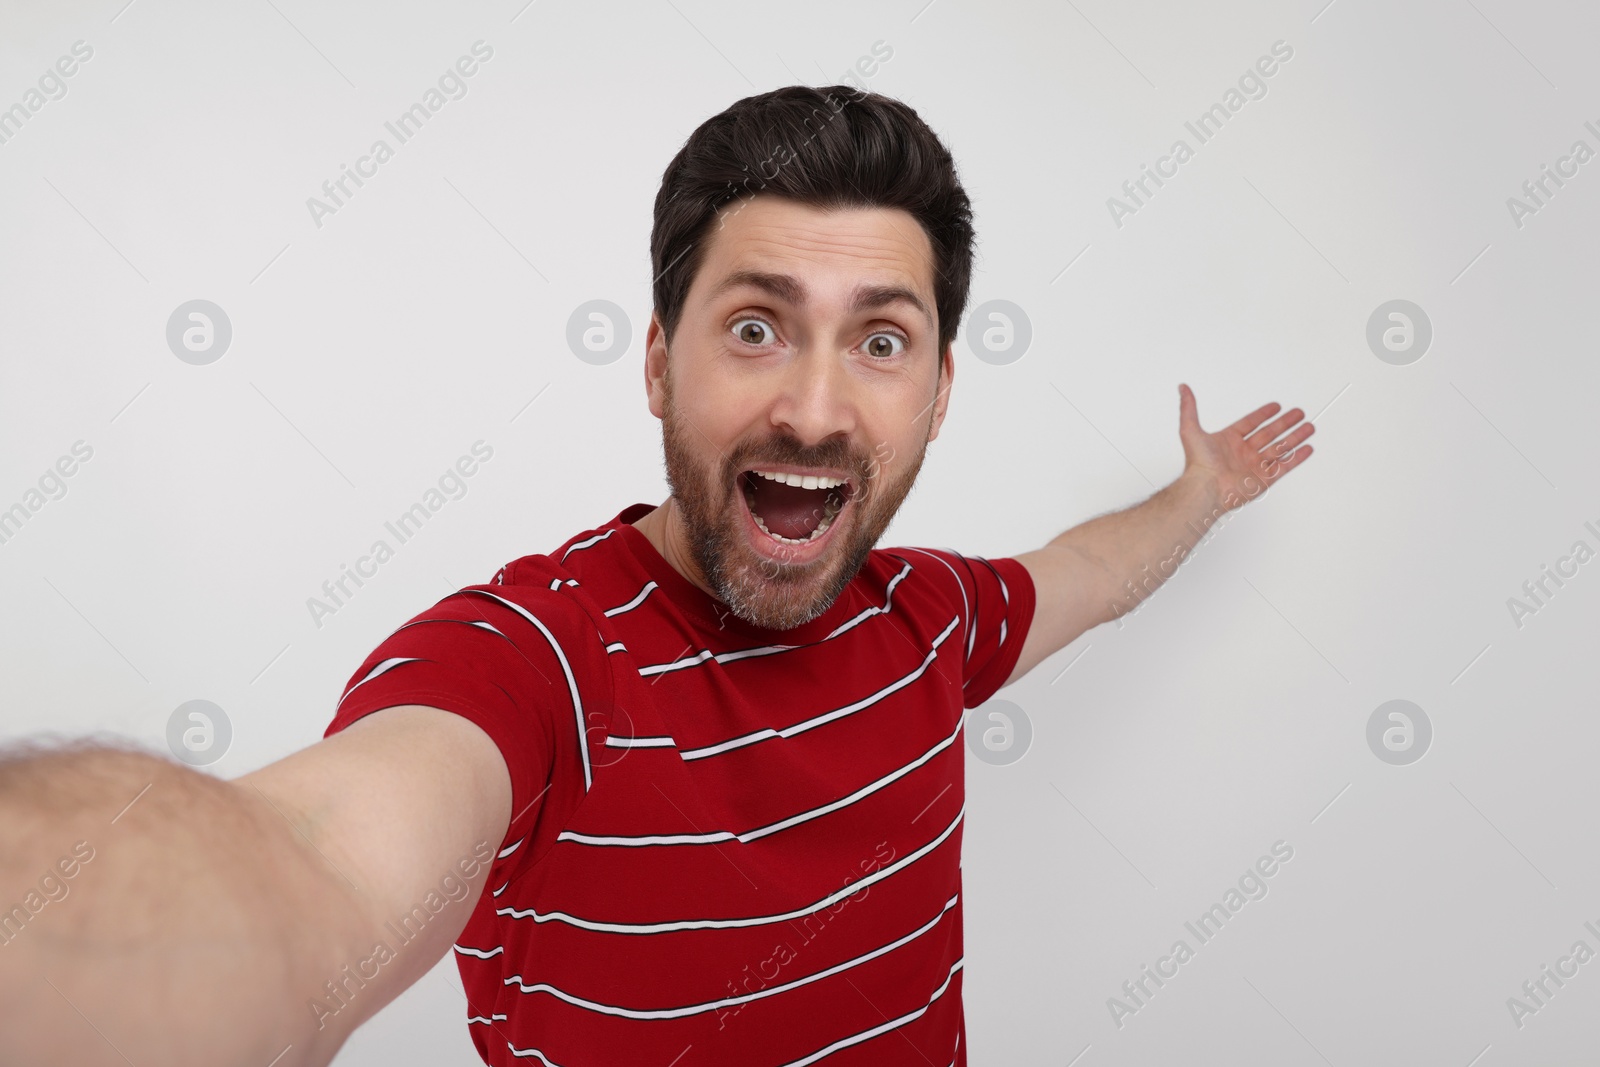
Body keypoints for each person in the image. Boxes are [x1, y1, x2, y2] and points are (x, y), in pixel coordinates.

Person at [0, 84, 1313, 1066]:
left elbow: (1085, 570)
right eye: (756, 326)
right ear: (654, 363)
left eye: (881, 341)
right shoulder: (536, 660)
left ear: (940, 390)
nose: (813, 406)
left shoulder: (931, 619)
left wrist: (1201, 495)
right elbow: (313, 862)